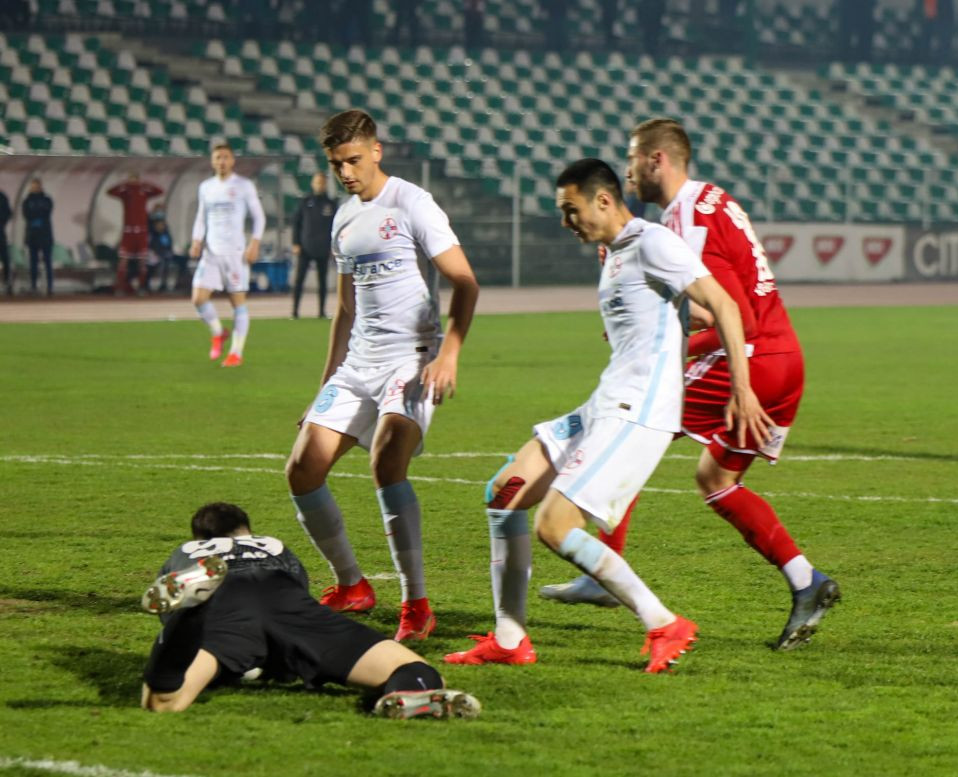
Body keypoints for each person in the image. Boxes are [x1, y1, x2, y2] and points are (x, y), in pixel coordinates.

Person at [443, 158, 771, 672]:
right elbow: (697, 311)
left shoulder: (652, 241)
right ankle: (509, 639)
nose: (565, 222)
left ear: (602, 200)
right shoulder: (616, 252)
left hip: (638, 410)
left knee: (554, 525)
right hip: (604, 403)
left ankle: (663, 623)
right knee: (504, 492)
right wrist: (667, 320)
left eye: (570, 210)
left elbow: (725, 305)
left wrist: (742, 390)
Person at [541, 119, 840, 651]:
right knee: (715, 480)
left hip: (748, 360)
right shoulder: (709, 200)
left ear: (656, 159)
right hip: (784, 357)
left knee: (632, 417)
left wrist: (666, 341)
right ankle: (806, 581)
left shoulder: (685, 220)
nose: (627, 171)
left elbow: (732, 314)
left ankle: (602, 569)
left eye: (632, 159)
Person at [285, 109, 479, 643]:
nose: (345, 172)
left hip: (411, 358)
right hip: (358, 364)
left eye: (352, 160)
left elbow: (464, 282)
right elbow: (345, 311)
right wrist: (325, 385)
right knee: (302, 469)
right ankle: (352, 584)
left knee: (386, 461)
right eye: (336, 164)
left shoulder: (412, 203)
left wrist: (449, 354)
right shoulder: (344, 219)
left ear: (376, 151)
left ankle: (417, 604)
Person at [139, 501, 481, 719]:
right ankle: (411, 693)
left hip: (225, 604)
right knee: (412, 667)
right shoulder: (273, 545)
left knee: (165, 701)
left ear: (199, 537)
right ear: (246, 530)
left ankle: (194, 610)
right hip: (287, 601)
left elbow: (166, 614)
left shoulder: (188, 551)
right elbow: (296, 590)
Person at [189, 142, 266, 368]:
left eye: (225, 157)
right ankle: (218, 332)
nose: (222, 161)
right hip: (211, 252)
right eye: (218, 157)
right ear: (212, 162)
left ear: (232, 160)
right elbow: (201, 217)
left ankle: (236, 352)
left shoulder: (243, 185)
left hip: (235, 253)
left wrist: (255, 243)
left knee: (237, 303)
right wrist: (196, 240)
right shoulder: (206, 187)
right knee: (198, 298)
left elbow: (259, 217)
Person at [291, 172, 338, 319]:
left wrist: (334, 246)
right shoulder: (305, 202)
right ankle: (295, 311)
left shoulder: (330, 204)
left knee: (322, 281)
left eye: (322, 183)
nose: (319, 185)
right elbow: (296, 223)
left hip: (323, 248)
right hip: (305, 247)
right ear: (312, 184)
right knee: (299, 280)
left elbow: (336, 227)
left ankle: (321, 311)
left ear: (325, 185)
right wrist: (296, 243)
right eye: (317, 182)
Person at [107, 172, 163, 296]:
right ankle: (120, 287)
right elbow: (110, 192)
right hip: (128, 232)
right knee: (123, 261)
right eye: (131, 180)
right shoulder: (126, 193)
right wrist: (123, 184)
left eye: (135, 180)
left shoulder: (144, 191)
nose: (133, 182)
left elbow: (159, 191)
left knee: (142, 262)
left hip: (141, 232)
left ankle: (142, 287)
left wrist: (145, 184)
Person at [22, 178, 54, 296]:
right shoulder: (27, 201)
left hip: (45, 236)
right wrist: (37, 213)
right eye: (33, 186)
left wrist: (36, 212)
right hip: (32, 236)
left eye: (37, 186)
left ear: (41, 186)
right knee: (33, 263)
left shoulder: (47, 200)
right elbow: (27, 215)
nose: (35, 188)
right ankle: (33, 286)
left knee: (47, 262)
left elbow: (46, 212)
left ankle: (49, 287)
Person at [148, 208, 187, 293]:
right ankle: (162, 284)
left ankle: (181, 282)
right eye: (159, 224)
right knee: (164, 262)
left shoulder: (166, 233)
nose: (161, 225)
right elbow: (154, 248)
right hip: (158, 256)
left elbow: (170, 245)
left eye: (163, 224)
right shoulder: (153, 235)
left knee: (183, 259)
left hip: (168, 254)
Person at [0, 188, 11, 294]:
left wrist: (1, 223)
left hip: (0, 233)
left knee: (5, 258)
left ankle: (7, 282)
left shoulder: (2, 197)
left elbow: (8, 213)